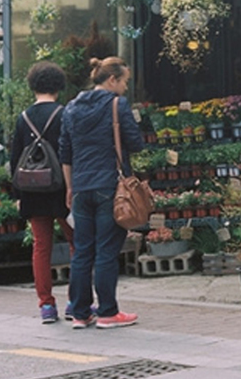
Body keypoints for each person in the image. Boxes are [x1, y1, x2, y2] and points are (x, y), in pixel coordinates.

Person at [60, 56, 145, 329]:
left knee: (82, 251)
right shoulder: (117, 105)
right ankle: (108, 311)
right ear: (112, 80)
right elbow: (136, 143)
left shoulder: (70, 108)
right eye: (124, 82)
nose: (125, 88)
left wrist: (70, 187)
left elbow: (65, 152)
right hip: (110, 186)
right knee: (107, 251)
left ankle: (80, 312)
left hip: (81, 188)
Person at [9, 60, 74, 324]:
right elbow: (70, 153)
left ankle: (46, 305)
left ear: (33, 86)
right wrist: (73, 188)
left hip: (33, 190)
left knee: (41, 247)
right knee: (76, 244)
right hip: (61, 189)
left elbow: (15, 160)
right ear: (58, 86)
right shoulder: (64, 114)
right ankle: (76, 302)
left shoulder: (23, 118)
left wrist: (18, 195)